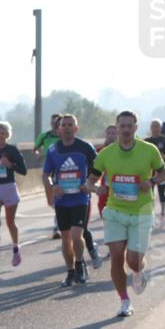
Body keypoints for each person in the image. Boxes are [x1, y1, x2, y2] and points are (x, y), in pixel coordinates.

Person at [86, 111, 165, 317]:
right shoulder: (106, 153)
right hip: (115, 211)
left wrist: (150, 182)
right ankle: (124, 300)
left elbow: (163, 173)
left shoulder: (149, 150)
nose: (125, 129)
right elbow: (89, 181)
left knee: (133, 261)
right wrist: (97, 189)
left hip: (141, 212)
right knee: (116, 257)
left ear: (136, 128)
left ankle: (139, 271)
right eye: (122, 126)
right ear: (117, 127)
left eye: (130, 126)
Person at [43, 114, 99, 287]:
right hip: (62, 200)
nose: (66, 128)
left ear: (76, 128)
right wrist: (53, 187)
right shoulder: (53, 150)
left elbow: (99, 167)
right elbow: (46, 175)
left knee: (76, 235)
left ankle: (80, 263)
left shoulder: (85, 147)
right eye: (63, 125)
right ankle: (70, 272)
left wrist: (89, 183)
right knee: (65, 238)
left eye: (70, 125)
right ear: (59, 129)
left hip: (80, 197)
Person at [0, 121, 28, 270]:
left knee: (10, 222)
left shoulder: (12, 150)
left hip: (9, 188)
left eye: (2, 133)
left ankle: (16, 248)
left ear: (7, 135)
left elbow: (23, 170)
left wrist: (9, 164)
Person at [35, 113, 63, 239]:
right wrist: (39, 154)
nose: (54, 125)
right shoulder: (44, 136)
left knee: (58, 199)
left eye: (57, 123)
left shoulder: (64, 137)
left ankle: (57, 227)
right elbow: (35, 148)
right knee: (51, 201)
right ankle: (60, 217)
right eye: (53, 123)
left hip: (61, 170)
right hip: (47, 170)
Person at [144, 119, 165, 225]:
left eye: (157, 126)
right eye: (153, 126)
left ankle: (162, 214)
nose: (155, 128)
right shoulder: (146, 141)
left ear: (161, 128)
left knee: (162, 193)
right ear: (150, 128)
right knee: (150, 194)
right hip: (149, 172)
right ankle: (151, 215)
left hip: (161, 172)